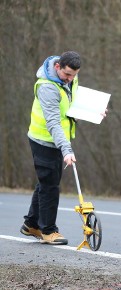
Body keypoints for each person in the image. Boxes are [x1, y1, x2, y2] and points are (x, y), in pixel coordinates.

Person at [21, 51, 84, 245]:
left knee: (46, 180)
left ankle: (31, 224)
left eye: (74, 75)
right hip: (44, 140)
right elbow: (53, 123)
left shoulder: (70, 76)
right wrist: (67, 150)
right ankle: (48, 231)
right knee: (50, 186)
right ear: (58, 67)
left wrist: (92, 111)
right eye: (67, 75)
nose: (70, 79)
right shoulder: (47, 87)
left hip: (58, 139)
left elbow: (72, 102)